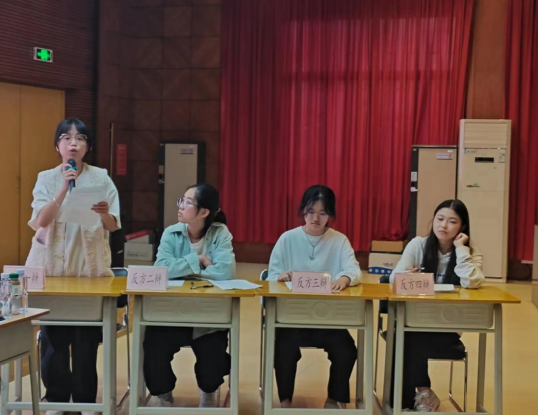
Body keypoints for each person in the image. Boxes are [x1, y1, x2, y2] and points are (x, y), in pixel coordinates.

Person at [25, 118, 121, 415]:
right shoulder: (46, 178)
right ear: (57, 146)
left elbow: (113, 225)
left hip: (88, 272)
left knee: (85, 341)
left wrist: (104, 213)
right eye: (66, 138)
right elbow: (41, 220)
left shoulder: (101, 178)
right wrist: (64, 189)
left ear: (87, 146)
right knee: (53, 340)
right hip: (52, 272)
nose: (73, 143)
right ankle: (55, 399)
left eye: (80, 138)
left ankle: (85, 400)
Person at [268, 185, 362, 409]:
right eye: (311, 212)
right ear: (303, 210)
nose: (316, 218)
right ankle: (285, 401)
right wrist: (280, 277)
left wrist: (345, 278)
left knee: (346, 349)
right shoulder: (287, 239)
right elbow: (270, 277)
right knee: (283, 348)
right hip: (292, 318)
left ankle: (333, 399)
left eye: (323, 213)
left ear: (330, 215)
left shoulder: (339, 240)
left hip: (327, 318)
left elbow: (354, 270)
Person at [143, 184, 236, 408]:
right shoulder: (171, 233)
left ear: (204, 212)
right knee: (154, 346)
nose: (181, 206)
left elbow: (225, 272)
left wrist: (181, 270)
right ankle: (163, 393)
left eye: (187, 202)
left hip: (208, 317)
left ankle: (209, 390)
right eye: (181, 200)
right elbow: (160, 269)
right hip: (171, 313)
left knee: (212, 357)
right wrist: (200, 261)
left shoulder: (220, 233)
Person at [390, 199, 485, 412]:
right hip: (416, 320)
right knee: (406, 334)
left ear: (462, 227)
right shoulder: (418, 245)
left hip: (448, 325)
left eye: (452, 221)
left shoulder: (470, 252)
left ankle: (410, 401)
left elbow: (473, 282)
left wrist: (461, 249)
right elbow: (393, 278)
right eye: (439, 219)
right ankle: (421, 395)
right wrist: (406, 276)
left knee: (406, 338)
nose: (443, 225)